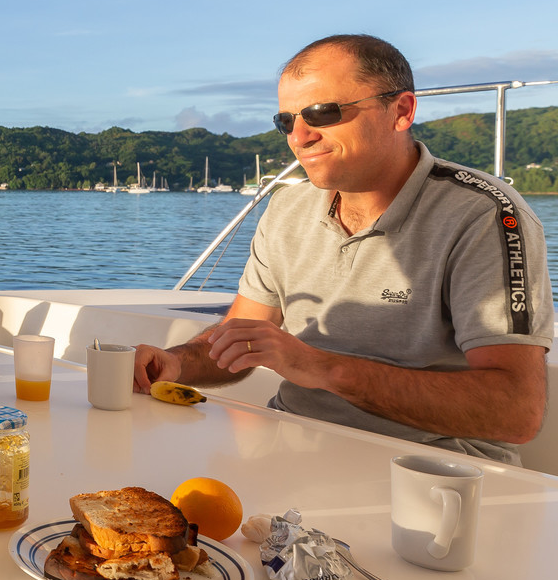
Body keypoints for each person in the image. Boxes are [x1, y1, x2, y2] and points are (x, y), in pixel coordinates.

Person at [134, 34, 551, 463]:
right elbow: (236, 341)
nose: (299, 136)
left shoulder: (483, 215)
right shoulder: (288, 207)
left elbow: (516, 411)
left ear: (401, 111)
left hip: (430, 473)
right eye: (286, 121)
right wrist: (174, 362)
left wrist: (320, 367)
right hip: (293, 452)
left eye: (323, 112)